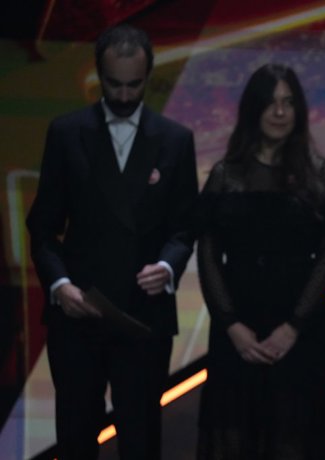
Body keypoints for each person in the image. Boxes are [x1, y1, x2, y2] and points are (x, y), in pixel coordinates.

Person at [26, 24, 198, 459]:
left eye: (133, 85)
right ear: (99, 75)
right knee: (76, 440)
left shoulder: (176, 140)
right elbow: (42, 228)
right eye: (113, 84)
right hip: (78, 315)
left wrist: (167, 266)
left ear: (148, 76)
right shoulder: (66, 133)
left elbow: (184, 228)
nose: (123, 95)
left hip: (143, 319)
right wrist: (59, 286)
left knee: (140, 443)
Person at [195, 63, 325, 459]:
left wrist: (294, 326)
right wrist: (232, 326)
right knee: (234, 434)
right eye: (270, 103)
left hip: (300, 328)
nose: (280, 112)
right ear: (253, 109)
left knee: (295, 437)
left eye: (288, 102)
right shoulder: (225, 175)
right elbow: (208, 254)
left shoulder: (320, 175)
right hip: (238, 327)